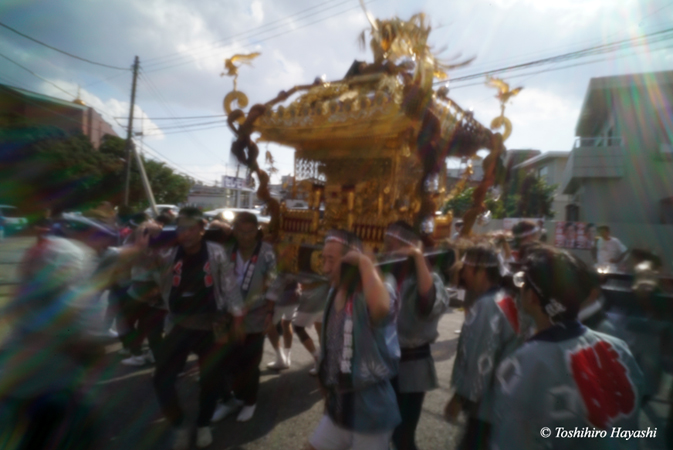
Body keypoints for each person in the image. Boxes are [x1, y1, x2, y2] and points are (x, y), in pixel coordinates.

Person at [0, 215, 149, 450]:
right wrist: (84, 346)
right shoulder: (73, 255)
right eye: (104, 239)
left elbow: (119, 254)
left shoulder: (54, 248)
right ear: (91, 235)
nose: (107, 245)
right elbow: (65, 312)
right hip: (48, 377)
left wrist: (141, 244)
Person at [491, 246, 645, 450]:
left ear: (532, 297)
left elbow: (512, 439)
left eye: (523, 283)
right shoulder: (618, 347)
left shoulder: (523, 365)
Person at [149, 207, 244, 450]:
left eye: (192, 228)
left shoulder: (216, 252)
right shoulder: (169, 252)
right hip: (179, 323)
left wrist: (237, 320)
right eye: (181, 227)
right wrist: (146, 240)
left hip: (212, 324)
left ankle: (203, 424)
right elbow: (150, 268)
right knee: (161, 379)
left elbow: (230, 287)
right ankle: (179, 423)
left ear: (202, 229)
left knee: (210, 379)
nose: (186, 233)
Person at [307, 230, 400, 450]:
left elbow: (381, 309)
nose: (326, 267)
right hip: (338, 408)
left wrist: (365, 263)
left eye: (332, 259)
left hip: (370, 411)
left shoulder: (376, 285)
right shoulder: (334, 290)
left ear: (350, 260)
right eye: (324, 258)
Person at [444, 243, 522, 450]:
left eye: (467, 270)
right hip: (507, 398)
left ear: (480, 272)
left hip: (487, 405)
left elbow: (481, 357)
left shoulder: (487, 305)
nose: (464, 276)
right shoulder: (507, 297)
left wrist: (460, 398)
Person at [382, 221, 450, 450]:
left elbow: (427, 305)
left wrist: (418, 257)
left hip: (412, 365)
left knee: (403, 436)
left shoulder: (429, 276)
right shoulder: (386, 274)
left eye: (393, 245)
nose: (387, 250)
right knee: (381, 432)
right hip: (382, 366)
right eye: (386, 244)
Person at [213, 211, 280, 423]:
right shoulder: (225, 251)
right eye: (240, 231)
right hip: (228, 315)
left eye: (250, 232)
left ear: (257, 231)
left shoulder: (267, 252)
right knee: (225, 360)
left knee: (250, 361)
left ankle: (249, 401)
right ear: (233, 231)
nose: (245, 236)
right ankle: (231, 399)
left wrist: (270, 311)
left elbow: (274, 282)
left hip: (256, 314)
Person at [266, 276, 300, 370]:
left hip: (280, 297)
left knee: (269, 326)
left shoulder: (279, 262)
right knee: (286, 323)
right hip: (295, 294)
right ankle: (287, 358)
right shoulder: (295, 262)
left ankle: (281, 358)